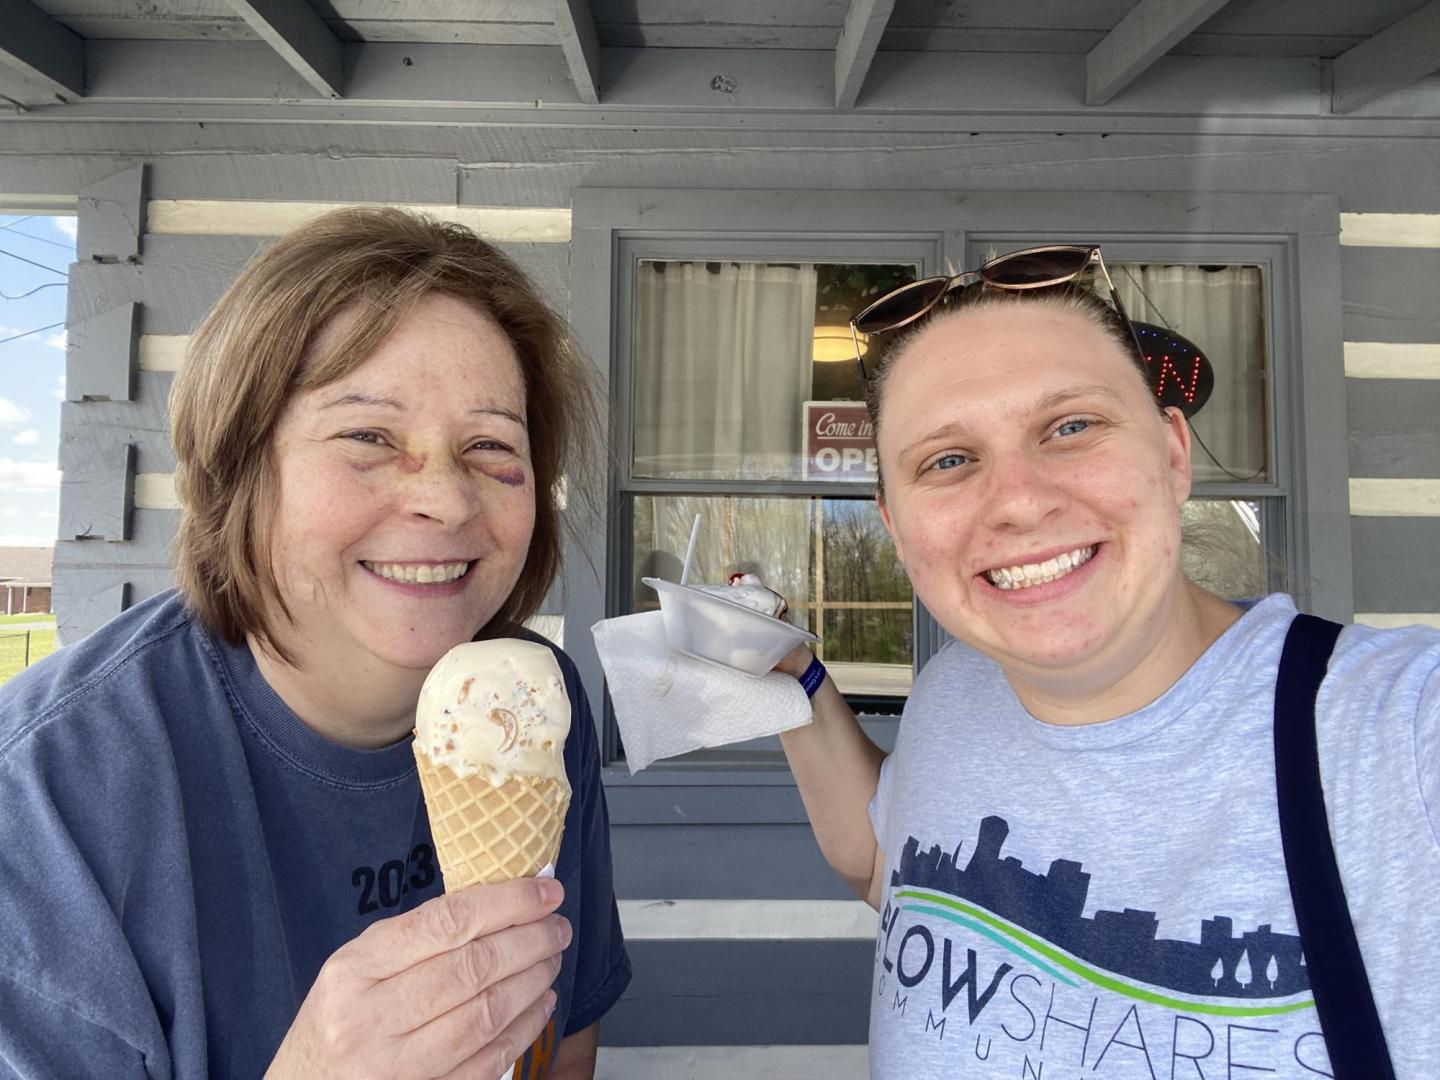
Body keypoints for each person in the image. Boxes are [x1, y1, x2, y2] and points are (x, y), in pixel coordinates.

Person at [773, 247, 1439, 1077]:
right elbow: (887, 867)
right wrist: (793, 675)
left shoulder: (1399, 729)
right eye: (948, 459)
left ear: (1172, 455)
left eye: (1071, 427)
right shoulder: (956, 688)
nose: (1018, 500)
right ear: (895, 526)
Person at [0, 207, 630, 1079]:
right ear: (237, 465)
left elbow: (567, 1041)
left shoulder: (534, 704)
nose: (446, 500)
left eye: (491, 445)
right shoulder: (41, 802)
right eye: (369, 437)